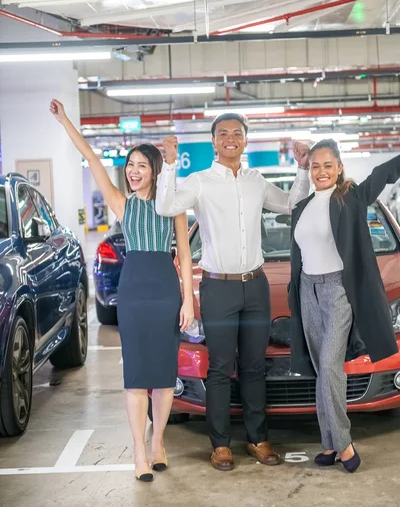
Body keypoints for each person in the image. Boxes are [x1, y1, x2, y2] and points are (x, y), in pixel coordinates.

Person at [156, 112, 310, 471]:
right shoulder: (200, 181)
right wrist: (169, 165)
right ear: (213, 142)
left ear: (245, 140)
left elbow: (291, 205)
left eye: (237, 133)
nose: (230, 138)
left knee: (255, 367)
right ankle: (220, 445)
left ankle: (257, 439)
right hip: (218, 287)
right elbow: (166, 206)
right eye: (222, 133)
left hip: (254, 285)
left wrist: (302, 169)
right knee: (221, 369)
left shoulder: (256, 180)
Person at [49, 99, 194, 483]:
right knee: (136, 377)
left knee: (163, 378)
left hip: (166, 290)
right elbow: (93, 161)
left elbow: (184, 255)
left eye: (141, 166)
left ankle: (158, 440)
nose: (133, 171)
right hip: (133, 293)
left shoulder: (173, 207)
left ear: (154, 171)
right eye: (130, 165)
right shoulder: (121, 204)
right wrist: (65, 120)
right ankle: (139, 453)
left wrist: (189, 303)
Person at [289, 138, 400, 474]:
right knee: (323, 370)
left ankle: (344, 443)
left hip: (338, 289)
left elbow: (384, 172)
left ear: (339, 167)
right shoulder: (303, 206)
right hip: (308, 290)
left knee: (331, 366)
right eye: (315, 166)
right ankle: (328, 443)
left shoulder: (351, 197)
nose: (321, 171)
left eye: (327, 165)